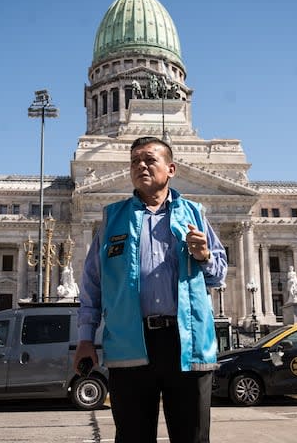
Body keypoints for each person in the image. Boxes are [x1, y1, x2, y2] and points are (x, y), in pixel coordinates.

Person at [75, 136, 227, 443]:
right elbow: (92, 283)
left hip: (186, 341)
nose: (140, 166)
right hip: (131, 340)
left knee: (192, 436)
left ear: (171, 169)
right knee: (132, 436)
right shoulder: (112, 218)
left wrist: (204, 257)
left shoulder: (194, 214)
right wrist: (85, 338)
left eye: (149, 160)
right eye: (134, 161)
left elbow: (219, 274)